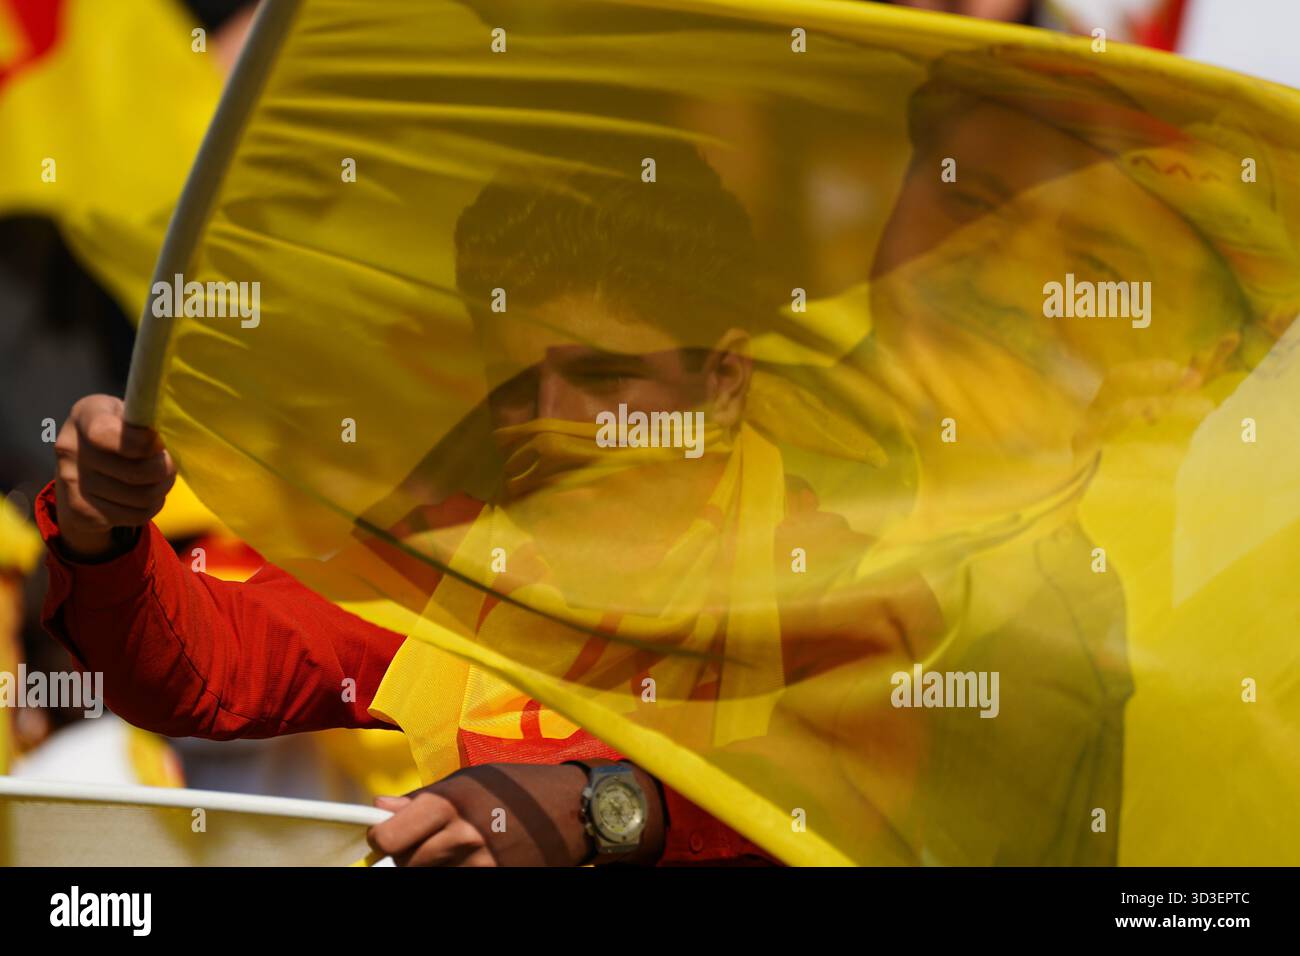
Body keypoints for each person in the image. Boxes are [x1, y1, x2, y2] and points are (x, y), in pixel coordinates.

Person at [38, 140, 939, 866]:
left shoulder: (847, 578)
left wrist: (595, 811)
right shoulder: (449, 553)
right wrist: (101, 529)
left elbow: (841, 794)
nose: (549, 422)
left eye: (603, 375)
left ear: (727, 380)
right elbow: (209, 670)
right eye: (514, 382)